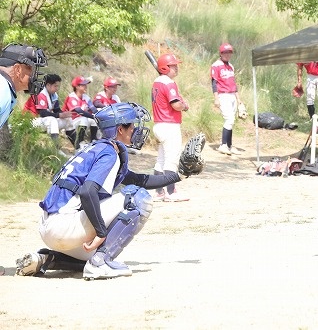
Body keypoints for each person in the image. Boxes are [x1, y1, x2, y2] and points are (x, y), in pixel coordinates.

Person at [15, 102, 191, 279]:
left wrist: (181, 175)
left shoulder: (97, 148)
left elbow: (140, 179)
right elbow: (87, 191)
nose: (135, 129)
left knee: (92, 253)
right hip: (64, 226)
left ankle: (46, 259)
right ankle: (100, 264)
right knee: (138, 197)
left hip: (50, 228)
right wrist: (100, 232)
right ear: (120, 129)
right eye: (131, 125)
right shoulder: (108, 152)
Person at [151, 53, 190, 202]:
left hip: (159, 125)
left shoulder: (157, 82)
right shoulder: (168, 83)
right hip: (169, 125)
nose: (176, 68)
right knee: (171, 160)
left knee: (161, 160)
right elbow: (176, 105)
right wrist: (184, 106)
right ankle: (171, 192)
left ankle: (159, 192)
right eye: (173, 66)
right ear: (164, 68)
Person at [0, 43, 47, 128]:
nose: (34, 76)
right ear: (18, 70)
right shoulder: (2, 90)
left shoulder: (5, 88)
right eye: (31, 70)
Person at [211, 43, 243, 155]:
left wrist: (238, 99)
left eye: (229, 52)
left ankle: (229, 146)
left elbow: (233, 83)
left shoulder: (231, 66)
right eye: (225, 52)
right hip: (223, 95)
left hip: (232, 95)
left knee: (231, 121)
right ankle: (223, 145)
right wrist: (216, 98)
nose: (228, 54)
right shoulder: (216, 65)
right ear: (221, 53)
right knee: (229, 119)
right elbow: (214, 82)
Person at [27, 74, 72, 149]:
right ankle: (56, 149)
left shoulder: (53, 95)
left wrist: (65, 114)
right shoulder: (41, 94)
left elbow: (57, 110)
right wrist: (59, 115)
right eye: (55, 86)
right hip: (30, 121)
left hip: (42, 121)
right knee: (52, 120)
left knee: (68, 120)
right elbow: (43, 113)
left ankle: (78, 147)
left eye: (58, 86)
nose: (57, 88)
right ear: (48, 85)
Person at [63, 76, 99, 147]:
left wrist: (98, 115)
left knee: (93, 120)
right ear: (77, 87)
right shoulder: (72, 97)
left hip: (80, 122)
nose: (86, 86)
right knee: (84, 118)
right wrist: (93, 116)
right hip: (69, 124)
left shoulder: (86, 97)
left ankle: (93, 140)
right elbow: (79, 111)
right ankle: (80, 141)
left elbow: (93, 108)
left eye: (86, 85)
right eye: (83, 85)